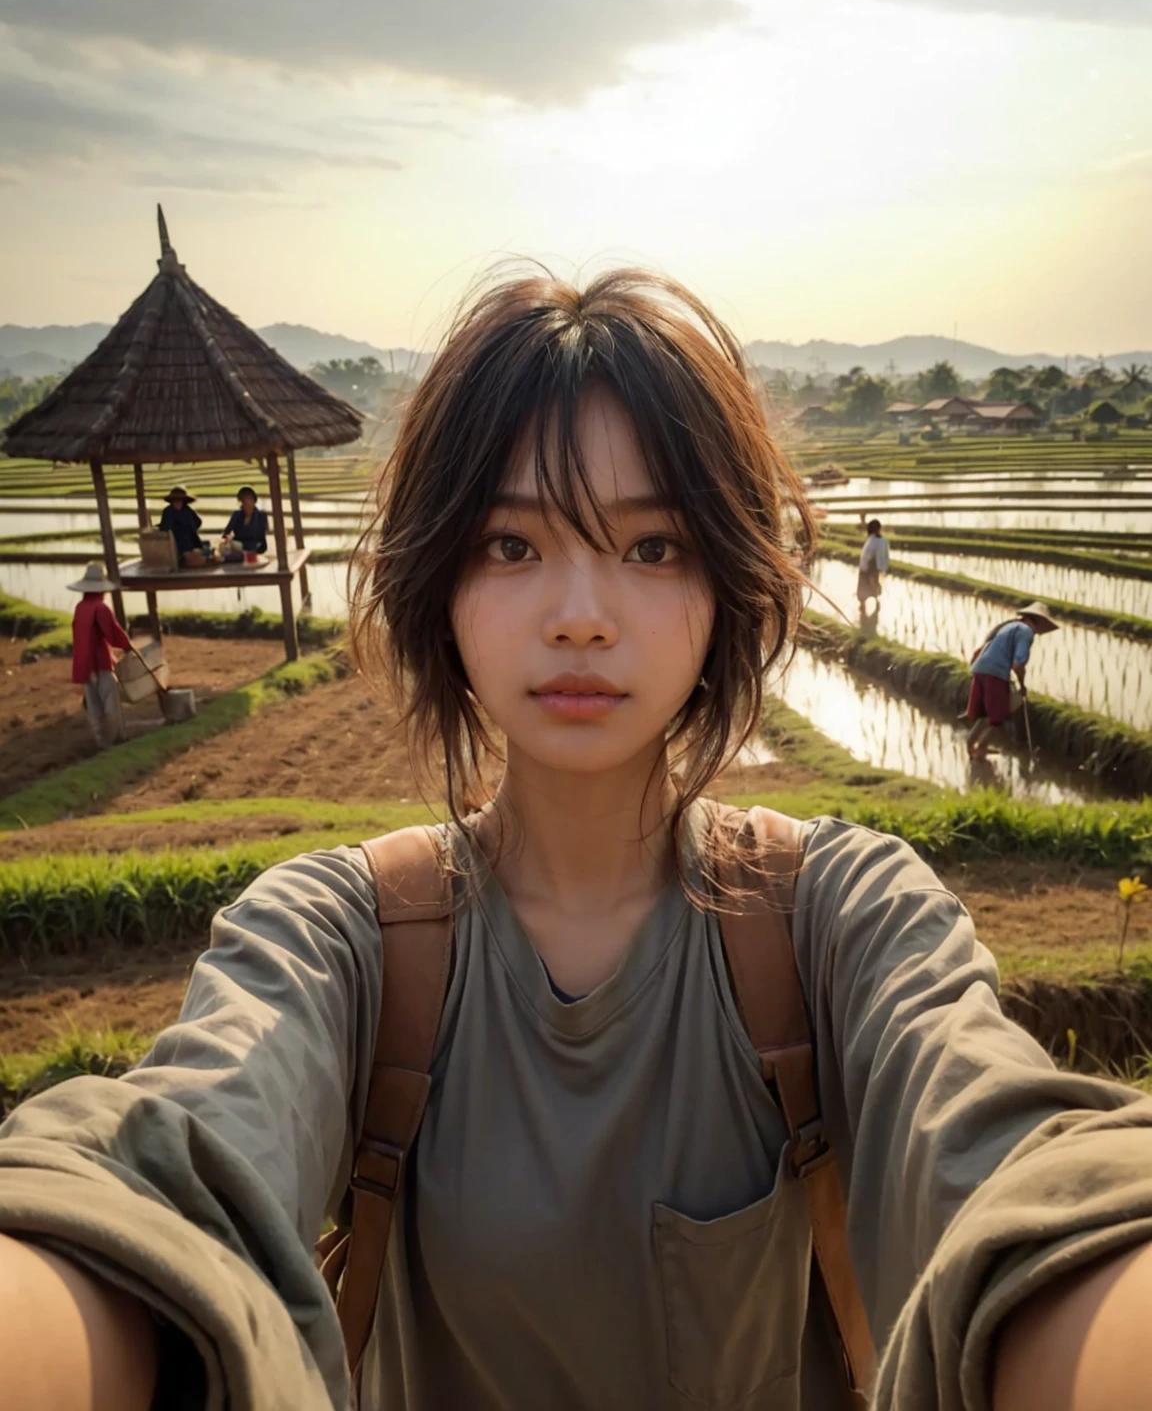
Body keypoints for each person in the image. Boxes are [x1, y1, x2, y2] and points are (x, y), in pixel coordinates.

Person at [3, 270, 1152, 1411]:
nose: (582, 614)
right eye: (511, 545)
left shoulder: (844, 916)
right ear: (439, 584)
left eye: (653, 548)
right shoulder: (334, 940)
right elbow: (159, 1184)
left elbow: (1015, 1167)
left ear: (730, 584)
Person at [966, 600, 1059, 759]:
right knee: (997, 717)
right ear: (1039, 621)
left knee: (984, 714)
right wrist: (1022, 685)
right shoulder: (1026, 632)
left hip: (980, 668)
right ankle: (980, 750)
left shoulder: (1010, 626)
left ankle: (970, 744)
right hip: (995, 673)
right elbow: (1018, 664)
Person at [68, 560, 132, 749]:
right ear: (101, 590)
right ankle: (115, 739)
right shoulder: (101, 608)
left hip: (85, 667)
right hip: (101, 663)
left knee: (94, 708)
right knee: (110, 704)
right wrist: (126, 644)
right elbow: (112, 633)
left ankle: (102, 741)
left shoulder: (80, 608)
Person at [157, 485, 203, 557]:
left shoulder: (187, 510)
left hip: (191, 543)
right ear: (172, 502)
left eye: (179, 500)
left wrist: (191, 530)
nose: (177, 503)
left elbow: (198, 522)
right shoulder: (168, 511)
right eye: (175, 500)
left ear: (183, 501)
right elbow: (165, 527)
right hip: (175, 544)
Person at [222, 485, 269, 554]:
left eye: (248, 499)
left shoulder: (261, 515)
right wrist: (228, 537)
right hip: (239, 545)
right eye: (243, 501)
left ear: (254, 500)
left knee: (248, 547)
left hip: (255, 544)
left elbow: (260, 534)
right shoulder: (237, 514)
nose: (245, 504)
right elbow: (227, 532)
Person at [856, 516, 889, 613]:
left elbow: (868, 556)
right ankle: (875, 606)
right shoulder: (883, 540)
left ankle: (864, 607)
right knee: (875, 587)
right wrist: (884, 568)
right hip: (877, 568)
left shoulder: (872, 541)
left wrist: (869, 569)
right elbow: (886, 556)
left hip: (869, 568)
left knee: (865, 588)